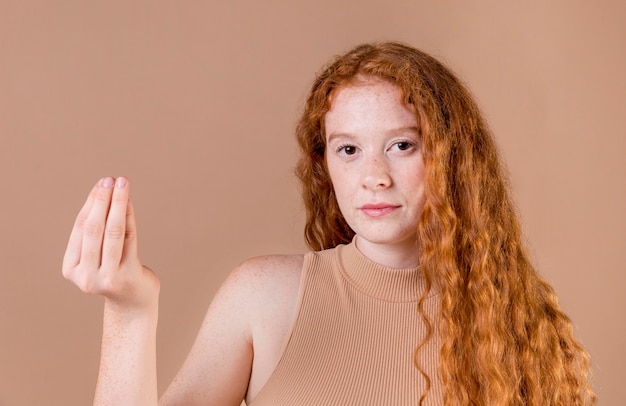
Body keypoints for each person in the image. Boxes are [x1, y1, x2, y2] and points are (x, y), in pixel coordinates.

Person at [62, 42, 596, 405]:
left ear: (455, 159)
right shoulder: (264, 296)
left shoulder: (522, 329)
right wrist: (130, 311)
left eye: (402, 145)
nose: (374, 177)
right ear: (326, 167)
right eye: (348, 149)